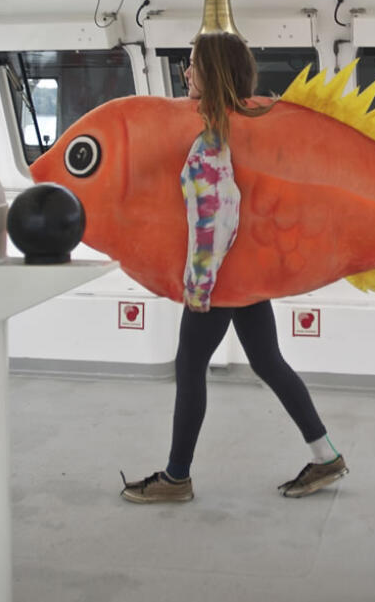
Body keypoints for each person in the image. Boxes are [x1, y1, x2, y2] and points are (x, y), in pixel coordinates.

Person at [120, 31, 348, 503]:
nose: (186, 74)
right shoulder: (251, 126)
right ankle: (326, 456)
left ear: (214, 74)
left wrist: (199, 288)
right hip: (249, 275)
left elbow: (215, 220)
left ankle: (176, 478)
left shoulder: (211, 140)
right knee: (268, 361)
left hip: (220, 280)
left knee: (189, 367)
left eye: (192, 65)